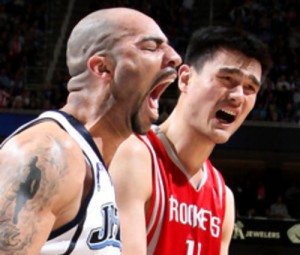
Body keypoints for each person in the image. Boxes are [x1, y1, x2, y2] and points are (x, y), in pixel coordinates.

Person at [0, 7, 182, 255]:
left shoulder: (92, 162)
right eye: (151, 47)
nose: (175, 58)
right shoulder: (48, 154)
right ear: (102, 68)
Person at [109, 26, 272, 255]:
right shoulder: (136, 157)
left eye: (249, 88)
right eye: (226, 79)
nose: (237, 96)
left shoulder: (223, 198)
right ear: (185, 78)